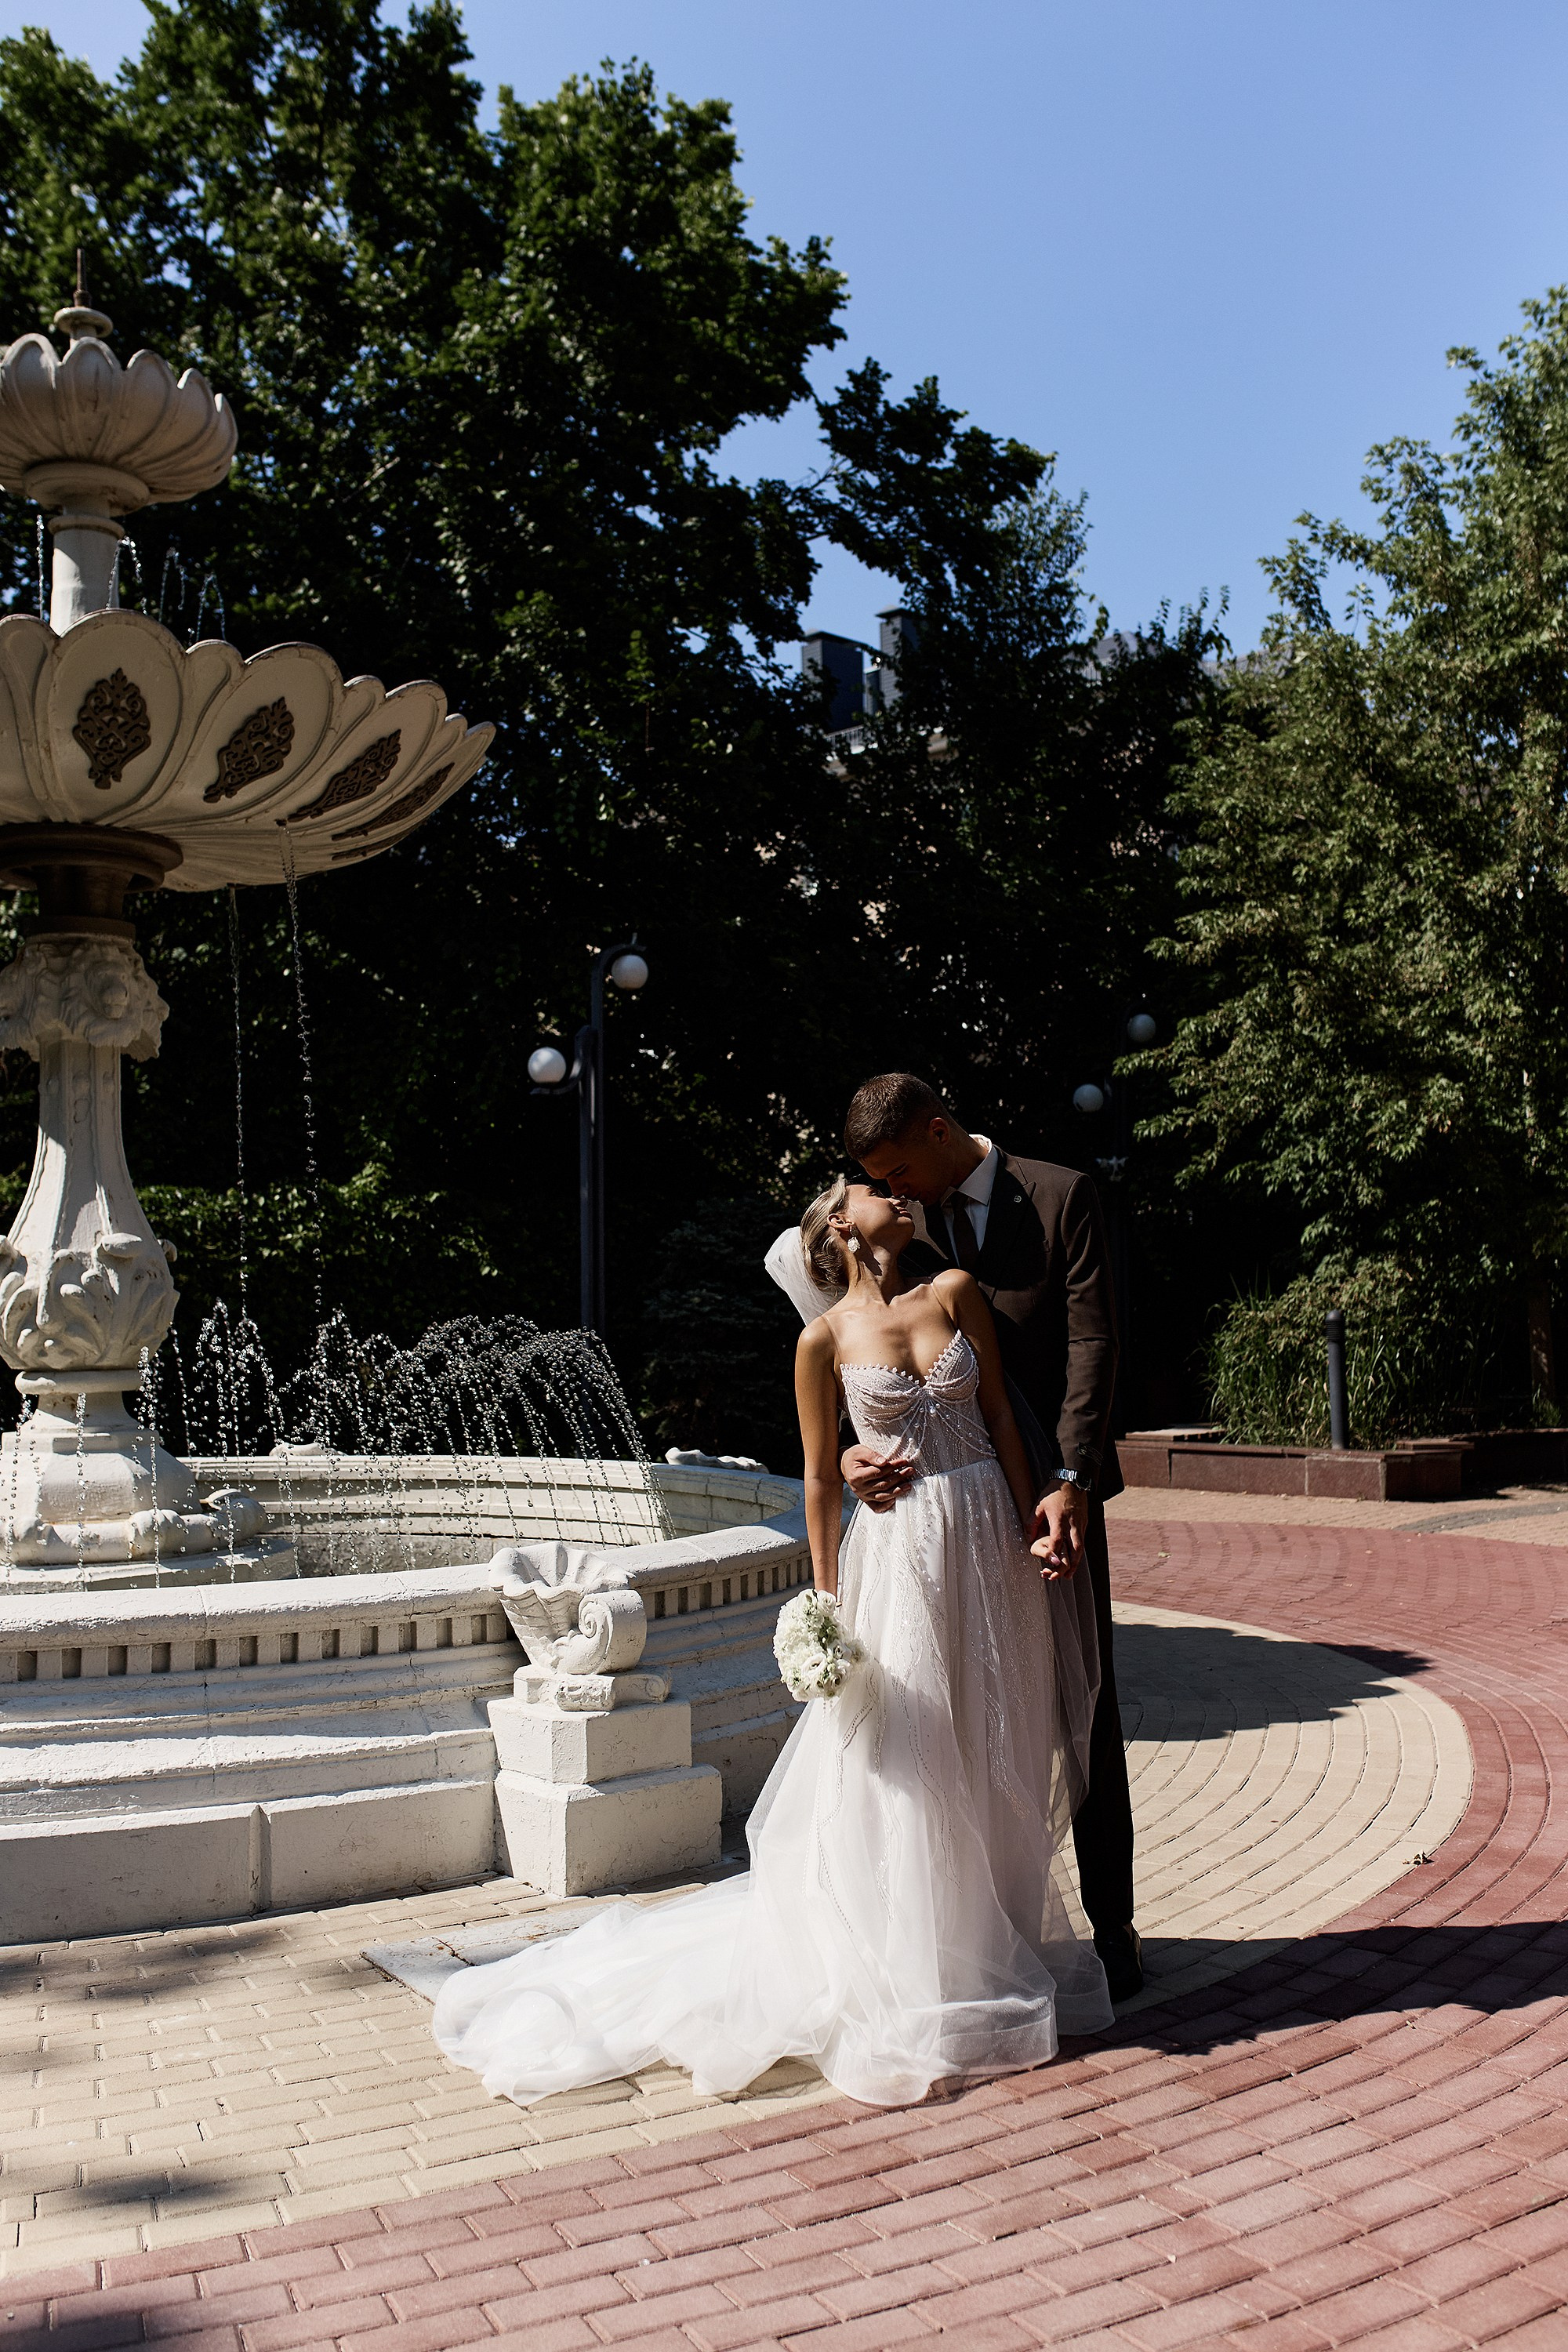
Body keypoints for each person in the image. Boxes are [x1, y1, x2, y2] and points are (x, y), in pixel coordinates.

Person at [432, 1178, 1112, 2112]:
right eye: (870, 1190)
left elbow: (998, 1418)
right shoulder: (821, 1340)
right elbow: (819, 1479)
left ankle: (992, 1942)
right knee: (910, 1754)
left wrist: (1033, 1522)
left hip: (986, 1541)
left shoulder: (953, 1292)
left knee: (994, 1738)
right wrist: (827, 1602)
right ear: (836, 1225)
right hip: (899, 1562)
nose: (895, 1196)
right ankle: (919, 1964)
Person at [834, 1072, 1142, 2002]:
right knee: (953, 1714)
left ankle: (1112, 1929)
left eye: (897, 1169)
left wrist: (1069, 1480)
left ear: (938, 1130)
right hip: (938, 1513)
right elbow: (851, 1349)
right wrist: (850, 1455)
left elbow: (1093, 1342)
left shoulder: (1059, 1195)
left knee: (1081, 1705)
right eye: (877, 1179)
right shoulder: (895, 1225)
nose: (890, 1191)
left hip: (1050, 1494)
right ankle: (974, 1934)